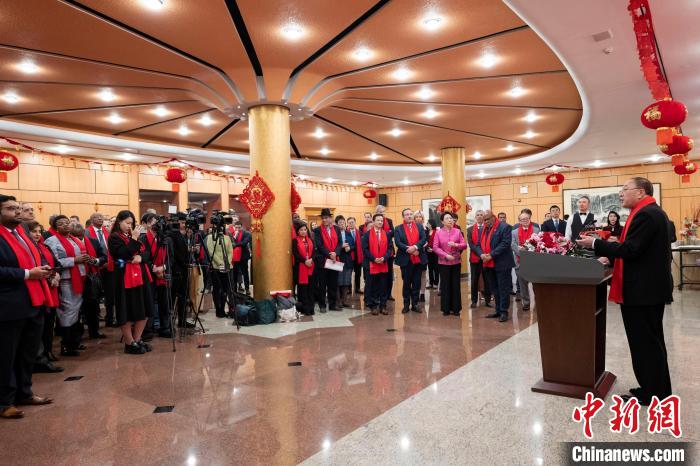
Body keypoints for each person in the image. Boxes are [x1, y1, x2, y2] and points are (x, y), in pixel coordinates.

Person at [577, 177, 672, 405]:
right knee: (650, 342)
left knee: (645, 344)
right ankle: (656, 388)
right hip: (647, 290)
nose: (620, 194)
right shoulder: (649, 212)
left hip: (643, 292)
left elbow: (631, 250)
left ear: (640, 192)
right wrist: (609, 257)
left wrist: (595, 244)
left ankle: (652, 393)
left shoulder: (646, 214)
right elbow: (640, 251)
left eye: (624, 189)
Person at [0, 195, 54, 419]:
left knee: (27, 353)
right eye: (10, 208)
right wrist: (27, 274)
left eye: (18, 208)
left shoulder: (21, 232)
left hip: (33, 300)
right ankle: (4, 402)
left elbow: (34, 257)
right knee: (6, 355)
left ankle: (24, 392)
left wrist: (44, 268)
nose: (17, 211)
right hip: (9, 305)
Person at [108, 210, 154, 355]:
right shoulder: (114, 237)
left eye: (132, 223)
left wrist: (141, 257)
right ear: (119, 222)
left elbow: (146, 252)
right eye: (127, 223)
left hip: (140, 275)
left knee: (144, 307)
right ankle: (129, 342)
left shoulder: (133, 235)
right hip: (124, 277)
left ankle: (137, 339)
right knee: (126, 309)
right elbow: (123, 254)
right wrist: (134, 238)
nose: (130, 226)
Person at [45, 215, 92, 356]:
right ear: (55, 227)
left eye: (67, 222)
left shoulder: (74, 239)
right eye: (61, 223)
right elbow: (53, 261)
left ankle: (74, 341)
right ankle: (66, 345)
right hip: (66, 279)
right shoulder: (52, 241)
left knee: (75, 310)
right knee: (68, 310)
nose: (66, 225)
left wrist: (85, 259)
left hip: (80, 277)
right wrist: (74, 260)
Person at [26, 221, 63, 373]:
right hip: (38, 288)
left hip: (51, 287)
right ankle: (40, 358)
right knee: (39, 326)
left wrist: (56, 274)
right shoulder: (28, 247)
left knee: (49, 323)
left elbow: (56, 263)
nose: (37, 234)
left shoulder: (44, 246)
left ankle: (47, 352)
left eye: (39, 231)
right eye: (33, 231)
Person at [71, 223, 107, 340]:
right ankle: (77, 334)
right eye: (76, 236)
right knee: (77, 309)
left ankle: (94, 331)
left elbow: (104, 257)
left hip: (91, 278)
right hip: (75, 278)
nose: (79, 239)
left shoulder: (93, 241)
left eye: (81, 236)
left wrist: (95, 260)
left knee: (93, 306)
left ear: (84, 233)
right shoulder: (69, 243)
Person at [139, 213, 172, 338]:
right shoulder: (142, 239)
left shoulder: (165, 239)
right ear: (147, 224)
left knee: (165, 302)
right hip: (149, 275)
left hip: (163, 274)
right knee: (149, 302)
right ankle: (148, 329)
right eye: (153, 222)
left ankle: (165, 327)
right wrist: (155, 269)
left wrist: (163, 268)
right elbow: (144, 258)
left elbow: (170, 258)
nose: (156, 225)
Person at [479, 211, 515, 322]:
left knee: (503, 288)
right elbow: (480, 244)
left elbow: (505, 244)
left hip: (502, 263)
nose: (485, 222)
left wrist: (491, 255)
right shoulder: (485, 229)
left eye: (487, 219)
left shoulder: (505, 227)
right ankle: (498, 310)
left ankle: (504, 312)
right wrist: (482, 254)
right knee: (495, 288)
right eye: (484, 220)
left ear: (493, 217)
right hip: (488, 263)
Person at [432, 212, 467, 316]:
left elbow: (464, 245)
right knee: (445, 285)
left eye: (451, 218)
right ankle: (446, 309)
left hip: (456, 262)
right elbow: (435, 247)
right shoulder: (438, 233)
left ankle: (456, 309)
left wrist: (456, 245)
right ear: (442, 221)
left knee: (455, 285)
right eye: (447, 218)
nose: (450, 220)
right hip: (443, 262)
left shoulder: (457, 231)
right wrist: (446, 255)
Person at [86, 213, 117, 328]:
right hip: (94, 267)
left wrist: (109, 262)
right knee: (95, 295)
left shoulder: (106, 231)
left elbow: (110, 248)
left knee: (110, 295)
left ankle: (110, 318)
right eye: (96, 217)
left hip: (108, 267)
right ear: (91, 220)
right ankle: (94, 323)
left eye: (101, 217)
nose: (100, 219)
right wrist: (98, 262)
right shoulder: (87, 232)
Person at [394, 208, 427, 314]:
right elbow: (398, 242)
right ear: (403, 217)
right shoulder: (398, 228)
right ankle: (406, 305)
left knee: (417, 283)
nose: (409, 216)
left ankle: (415, 304)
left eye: (410, 214)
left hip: (418, 258)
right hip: (405, 259)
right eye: (406, 214)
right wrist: (409, 249)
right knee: (406, 283)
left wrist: (415, 247)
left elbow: (423, 239)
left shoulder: (419, 226)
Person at [361, 213, 392, 315]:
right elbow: (365, 250)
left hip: (383, 263)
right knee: (373, 286)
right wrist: (374, 259)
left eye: (382, 220)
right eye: (378, 220)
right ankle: (373, 306)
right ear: (373, 221)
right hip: (371, 264)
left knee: (383, 286)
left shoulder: (387, 234)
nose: (380, 222)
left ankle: (383, 306)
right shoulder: (367, 235)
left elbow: (390, 248)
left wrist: (384, 258)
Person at [314, 208, 342, 312]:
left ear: (331, 218)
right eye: (323, 218)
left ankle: (332, 305)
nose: (324, 220)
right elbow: (319, 245)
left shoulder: (337, 229)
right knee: (322, 284)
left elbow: (340, 243)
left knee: (333, 283)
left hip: (334, 260)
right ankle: (322, 305)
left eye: (326, 218)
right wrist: (330, 254)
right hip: (323, 260)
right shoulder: (317, 230)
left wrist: (335, 253)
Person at [511, 211, 539, 311]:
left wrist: (528, 251)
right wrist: (522, 253)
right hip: (520, 261)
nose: (525, 220)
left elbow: (538, 243)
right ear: (519, 221)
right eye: (523, 219)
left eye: (527, 219)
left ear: (529, 219)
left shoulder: (536, 230)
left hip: (533, 261)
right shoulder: (514, 232)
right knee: (522, 284)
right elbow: (513, 245)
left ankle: (538, 301)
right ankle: (526, 303)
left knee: (536, 283)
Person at [206, 226, 234, 318]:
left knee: (225, 289)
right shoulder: (210, 237)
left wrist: (227, 262)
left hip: (227, 266)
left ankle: (222, 308)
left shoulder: (227, 238)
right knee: (217, 289)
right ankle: (218, 309)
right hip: (216, 267)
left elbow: (230, 251)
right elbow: (211, 251)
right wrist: (221, 263)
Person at [466, 210, 492, 308]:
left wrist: (485, 254)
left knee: (487, 279)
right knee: (474, 280)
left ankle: (488, 300)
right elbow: (471, 245)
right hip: (475, 258)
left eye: (481, 215)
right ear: (475, 217)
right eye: (478, 215)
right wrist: (481, 254)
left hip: (487, 257)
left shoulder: (488, 228)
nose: (480, 216)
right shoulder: (470, 229)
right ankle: (474, 301)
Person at [292, 223, 315, 315]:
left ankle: (311, 308)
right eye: (301, 230)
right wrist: (305, 261)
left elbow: (314, 252)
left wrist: (311, 259)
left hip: (311, 266)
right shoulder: (295, 241)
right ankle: (305, 308)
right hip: (300, 267)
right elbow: (295, 254)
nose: (303, 231)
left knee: (311, 288)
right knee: (303, 289)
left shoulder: (310, 240)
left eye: (305, 230)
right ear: (298, 231)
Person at [375, 205, 396, 301]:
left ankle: (388, 294)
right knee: (379, 274)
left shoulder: (389, 221)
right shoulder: (375, 221)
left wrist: (384, 233)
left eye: (384, 211)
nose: (383, 213)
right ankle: (379, 294)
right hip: (377, 251)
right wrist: (387, 233)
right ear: (377, 212)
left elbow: (393, 233)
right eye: (380, 212)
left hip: (389, 251)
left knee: (389, 274)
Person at [335, 215, 355, 308]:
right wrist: (341, 247)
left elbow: (354, 245)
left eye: (343, 222)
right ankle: (338, 301)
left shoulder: (348, 233)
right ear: (336, 224)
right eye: (340, 223)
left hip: (347, 260)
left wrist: (350, 248)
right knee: (338, 281)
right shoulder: (334, 233)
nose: (342, 224)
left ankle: (345, 300)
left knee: (346, 281)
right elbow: (332, 246)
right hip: (337, 259)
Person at [230, 221, 251, 295]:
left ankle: (247, 289)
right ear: (234, 227)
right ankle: (234, 289)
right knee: (234, 274)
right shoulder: (232, 234)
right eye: (236, 227)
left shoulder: (246, 233)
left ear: (241, 227)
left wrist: (235, 244)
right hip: (235, 257)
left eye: (239, 227)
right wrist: (234, 237)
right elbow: (230, 243)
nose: (237, 229)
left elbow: (244, 242)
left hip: (243, 256)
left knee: (245, 273)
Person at [413, 210, 428, 302]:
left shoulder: (426, 228)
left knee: (423, 274)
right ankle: (416, 292)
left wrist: (425, 244)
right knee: (415, 275)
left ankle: (422, 293)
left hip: (422, 253)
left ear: (423, 218)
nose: (418, 218)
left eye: (420, 217)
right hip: (413, 253)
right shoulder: (411, 228)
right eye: (417, 217)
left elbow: (427, 241)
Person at [346, 217, 364, 295]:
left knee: (358, 274)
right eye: (349, 222)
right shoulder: (345, 233)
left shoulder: (360, 233)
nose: (351, 224)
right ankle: (348, 289)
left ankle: (357, 288)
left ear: (355, 223)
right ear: (347, 224)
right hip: (349, 256)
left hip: (358, 256)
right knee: (349, 273)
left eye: (352, 222)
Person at [425, 219, 440, 291]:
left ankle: (436, 283)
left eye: (428, 223)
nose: (427, 224)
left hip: (435, 252)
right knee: (430, 268)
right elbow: (425, 241)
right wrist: (427, 248)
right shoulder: (427, 232)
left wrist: (433, 249)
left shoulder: (437, 231)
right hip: (428, 251)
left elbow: (438, 242)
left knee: (436, 268)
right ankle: (431, 283)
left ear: (432, 224)